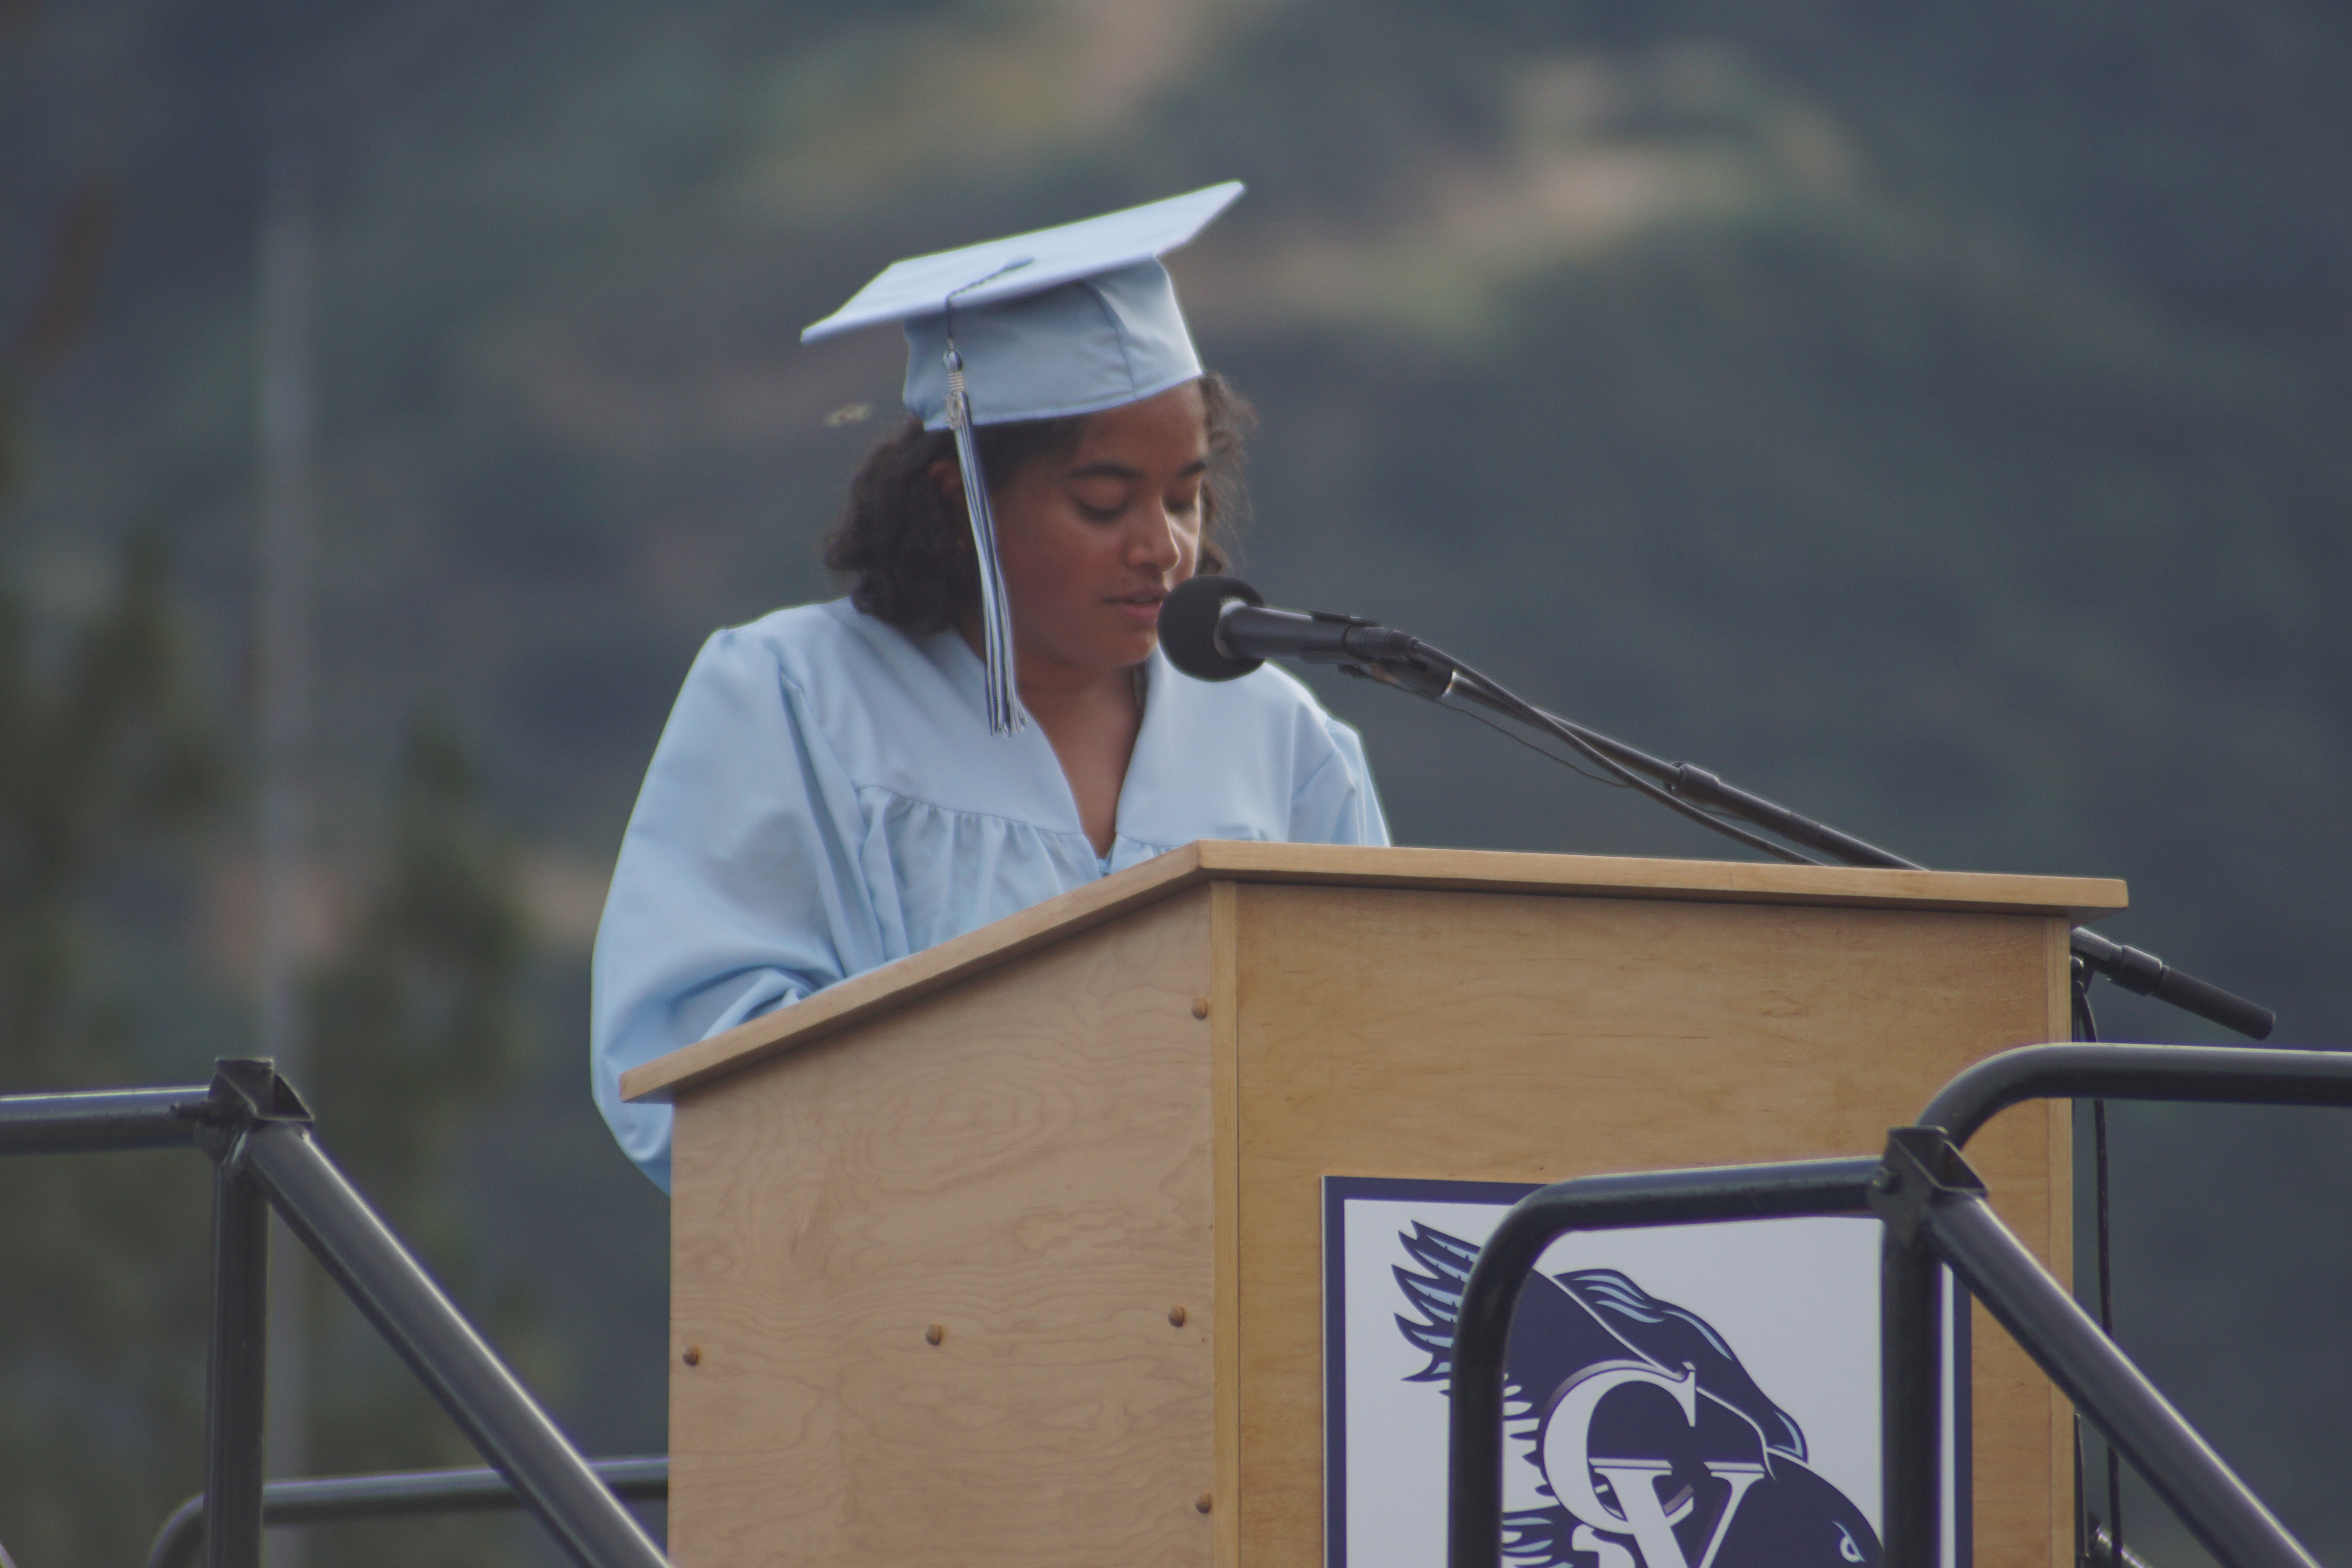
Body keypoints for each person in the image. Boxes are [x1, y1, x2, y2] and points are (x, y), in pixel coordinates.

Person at [590, 185, 1389, 1190]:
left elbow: (1375, 1052)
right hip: (910, 1268)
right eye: (1104, 504)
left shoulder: (1278, 738)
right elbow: (689, 1070)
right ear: (957, 496)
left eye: (1186, 497)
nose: (1164, 546)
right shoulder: (796, 699)